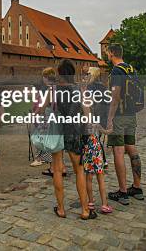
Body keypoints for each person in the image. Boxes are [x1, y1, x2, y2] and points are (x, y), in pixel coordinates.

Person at [48, 60, 95, 220]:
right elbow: (86, 111)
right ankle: (84, 210)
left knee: (57, 169)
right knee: (79, 170)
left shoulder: (53, 90)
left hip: (58, 130)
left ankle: (61, 209)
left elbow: (41, 109)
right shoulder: (78, 89)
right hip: (74, 130)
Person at [104, 44, 144, 206]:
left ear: (112, 53)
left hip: (119, 116)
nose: (107, 55)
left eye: (107, 53)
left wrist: (109, 118)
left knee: (118, 152)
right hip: (131, 114)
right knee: (132, 148)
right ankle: (137, 187)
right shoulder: (131, 69)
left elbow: (115, 97)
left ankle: (122, 192)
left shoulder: (116, 71)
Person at [81, 70, 112, 214]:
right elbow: (92, 123)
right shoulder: (89, 100)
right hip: (94, 143)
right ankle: (104, 204)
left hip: (87, 143)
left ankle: (91, 202)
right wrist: (105, 130)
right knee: (99, 175)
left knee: (89, 175)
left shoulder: (83, 99)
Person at [39, 67, 68, 177]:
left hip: (51, 118)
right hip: (61, 118)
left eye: (44, 77)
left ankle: (53, 168)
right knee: (60, 144)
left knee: (51, 144)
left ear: (46, 77)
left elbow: (44, 106)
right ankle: (63, 167)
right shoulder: (61, 87)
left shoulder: (50, 89)